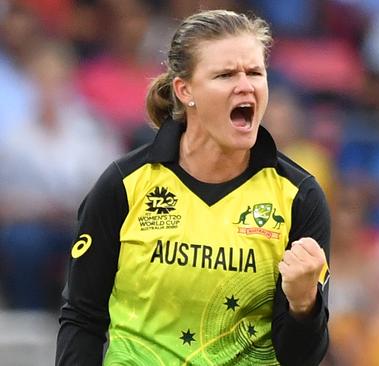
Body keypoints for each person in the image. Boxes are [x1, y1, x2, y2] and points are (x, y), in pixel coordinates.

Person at [56, 9, 331, 366]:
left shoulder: (299, 197)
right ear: (185, 91)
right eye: (225, 74)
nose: (245, 85)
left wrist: (304, 303)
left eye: (255, 73)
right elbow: (82, 317)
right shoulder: (124, 185)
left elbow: (301, 358)